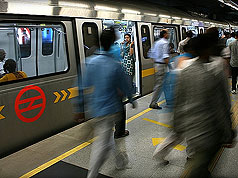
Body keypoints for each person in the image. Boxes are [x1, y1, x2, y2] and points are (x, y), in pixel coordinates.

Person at [77, 27, 136, 178]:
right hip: (110, 110)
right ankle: (92, 175)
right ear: (112, 43)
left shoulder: (90, 62)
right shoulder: (115, 64)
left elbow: (81, 87)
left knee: (106, 136)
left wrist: (79, 109)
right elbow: (125, 86)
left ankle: (120, 160)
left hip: (95, 108)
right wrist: (131, 99)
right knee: (100, 146)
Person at [174, 34, 235, 178]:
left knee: (200, 163)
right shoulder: (215, 73)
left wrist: (177, 127)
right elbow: (222, 106)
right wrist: (228, 131)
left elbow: (179, 102)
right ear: (206, 50)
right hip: (210, 132)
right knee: (200, 168)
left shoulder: (186, 71)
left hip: (191, 130)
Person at [153, 39, 198, 164]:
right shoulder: (190, 63)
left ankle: (160, 153)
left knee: (178, 133)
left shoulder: (174, 60)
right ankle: (191, 155)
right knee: (184, 133)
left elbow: (167, 81)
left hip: (170, 103)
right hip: (182, 105)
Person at [149, 29, 170, 109]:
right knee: (160, 85)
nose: (168, 35)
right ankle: (153, 103)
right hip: (162, 66)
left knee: (165, 84)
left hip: (157, 65)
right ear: (164, 35)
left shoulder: (157, 42)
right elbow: (165, 57)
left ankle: (169, 101)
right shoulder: (165, 42)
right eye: (167, 33)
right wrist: (171, 67)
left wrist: (156, 62)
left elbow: (151, 55)